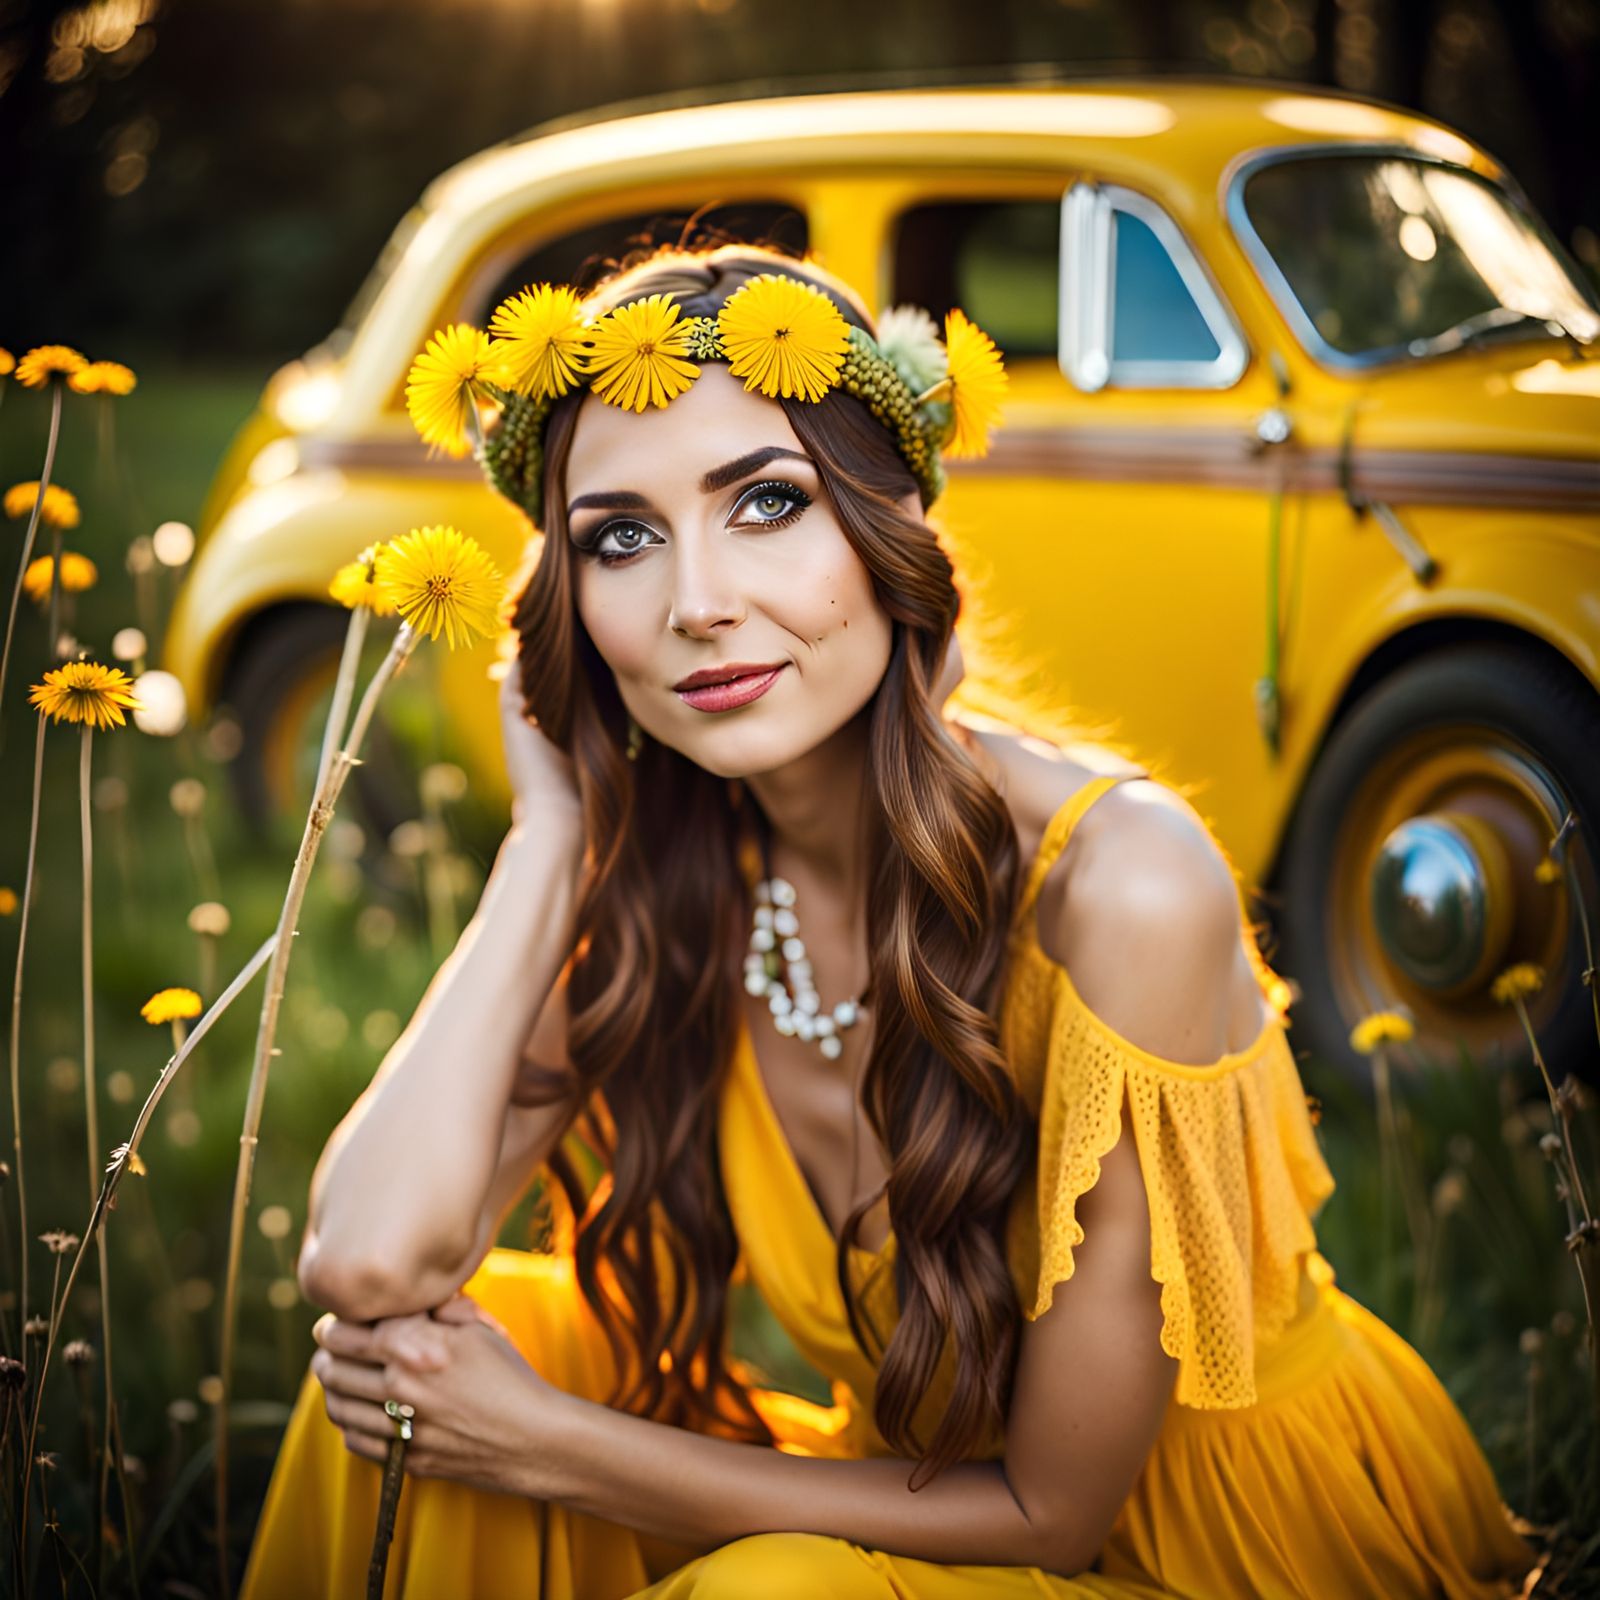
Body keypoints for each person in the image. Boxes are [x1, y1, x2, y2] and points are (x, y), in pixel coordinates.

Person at [238, 240, 1536, 1599]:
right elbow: (372, 1263)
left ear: (888, 524)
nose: (696, 606)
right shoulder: (672, 868)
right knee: (436, 1363)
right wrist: (546, 840)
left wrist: (557, 1446)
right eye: (622, 538)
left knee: (770, 1592)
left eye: (767, 505)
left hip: (1216, 1552)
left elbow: (1056, 1511)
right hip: (913, 1508)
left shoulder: (1122, 883)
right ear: (570, 608)